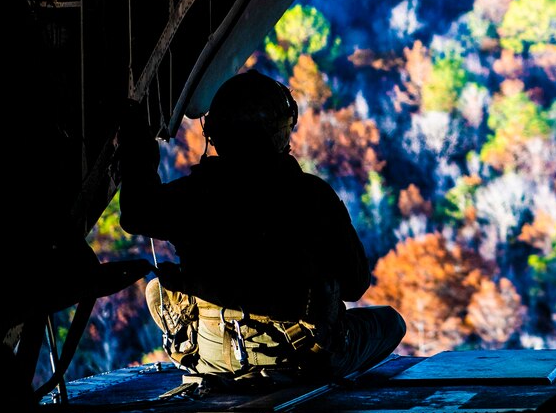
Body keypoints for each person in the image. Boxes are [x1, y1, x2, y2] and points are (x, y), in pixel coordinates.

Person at [115, 69, 406, 387]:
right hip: (300, 358)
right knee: (390, 322)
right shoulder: (310, 196)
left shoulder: (193, 194)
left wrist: (139, 157)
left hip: (211, 354)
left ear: (215, 134)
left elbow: (135, 214)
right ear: (282, 132)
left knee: (157, 290)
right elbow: (355, 285)